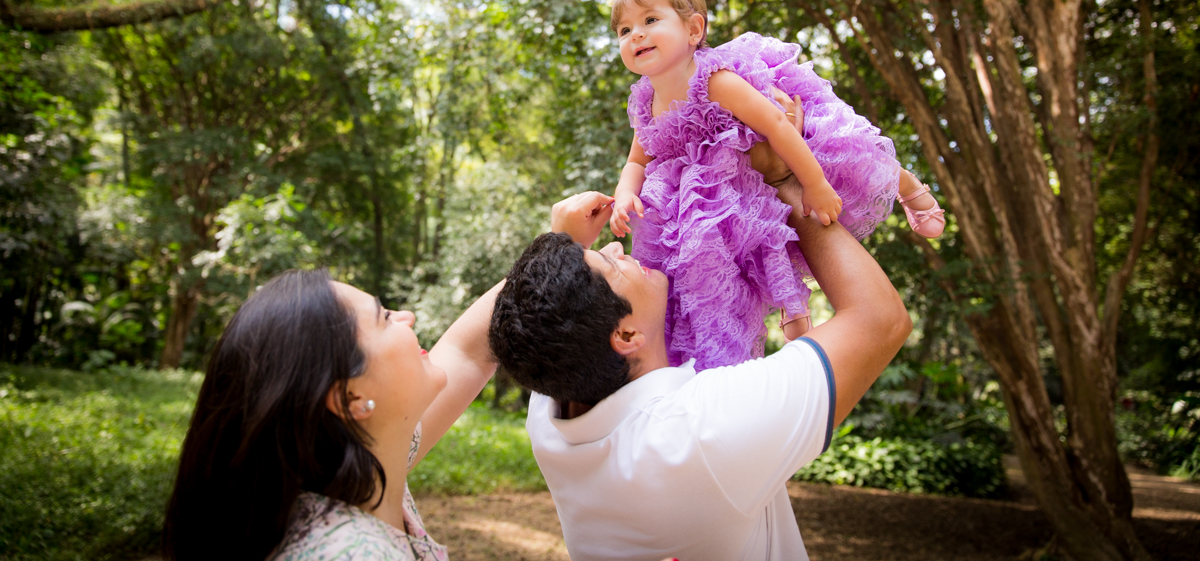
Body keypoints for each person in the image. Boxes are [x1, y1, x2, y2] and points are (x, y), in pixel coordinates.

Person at [488, 181, 913, 561]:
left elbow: (528, 320)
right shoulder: (704, 430)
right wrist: (785, 179)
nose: (618, 248)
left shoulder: (551, 409)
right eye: (611, 264)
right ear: (627, 334)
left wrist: (564, 244)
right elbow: (880, 321)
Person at [605, 0, 942, 370]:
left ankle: (906, 186)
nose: (635, 34)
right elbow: (637, 161)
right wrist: (625, 193)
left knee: (841, 151)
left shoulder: (715, 80)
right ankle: (791, 306)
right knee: (719, 230)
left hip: (773, 137)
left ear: (694, 30)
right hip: (726, 176)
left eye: (650, 19)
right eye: (624, 30)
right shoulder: (646, 101)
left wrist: (814, 183)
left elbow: (779, 128)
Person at [162, 269, 499, 561]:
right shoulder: (355, 554)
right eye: (384, 317)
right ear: (350, 396)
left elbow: (470, 351)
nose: (406, 315)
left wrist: (552, 243)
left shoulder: (362, 473)